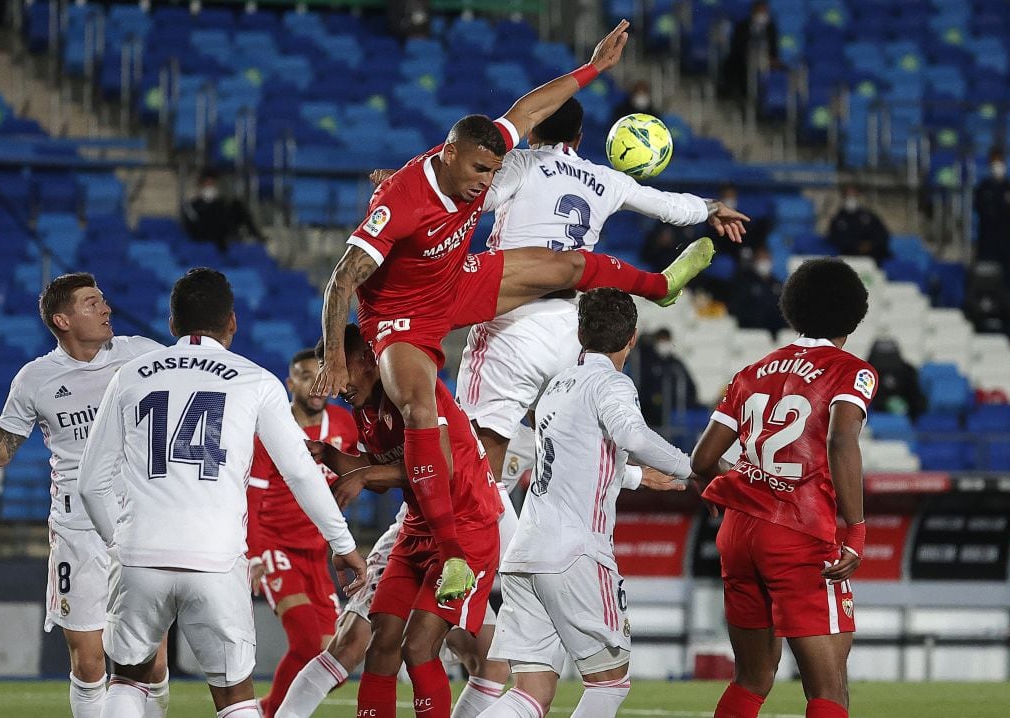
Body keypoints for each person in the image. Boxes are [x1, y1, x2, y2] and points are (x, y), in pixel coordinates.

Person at [314, 20, 717, 620]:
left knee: (566, 265)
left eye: (491, 172)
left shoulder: (491, 154)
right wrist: (330, 358)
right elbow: (342, 278)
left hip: (455, 282)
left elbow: (530, 108)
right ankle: (452, 551)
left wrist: (595, 67)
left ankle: (657, 287)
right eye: (479, 172)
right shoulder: (403, 199)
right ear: (449, 155)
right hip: (399, 317)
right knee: (423, 411)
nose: (486, 183)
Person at [77, 268, 366, 718]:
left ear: (173, 325)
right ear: (232, 322)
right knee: (234, 697)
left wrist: (121, 542)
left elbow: (90, 482)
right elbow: (302, 474)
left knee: (129, 678)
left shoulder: (130, 376)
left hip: (139, 556)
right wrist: (344, 544)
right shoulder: (256, 380)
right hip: (215, 559)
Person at [454, 97, 747, 482]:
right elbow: (668, 206)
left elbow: (473, 196)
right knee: (559, 447)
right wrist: (710, 208)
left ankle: (471, 535)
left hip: (511, 322)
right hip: (570, 331)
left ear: (533, 130)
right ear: (579, 138)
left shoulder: (520, 163)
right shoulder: (606, 179)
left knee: (474, 467)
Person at [0, 272, 170, 718]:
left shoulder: (142, 354)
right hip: (77, 529)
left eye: (104, 299)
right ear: (63, 319)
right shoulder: (36, 378)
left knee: (150, 661)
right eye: (92, 303)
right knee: (90, 662)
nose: (106, 308)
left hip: (139, 522)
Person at [481, 288, 691, 718]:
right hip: (574, 552)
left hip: (525, 553)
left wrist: (632, 476)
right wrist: (689, 466)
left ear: (580, 333)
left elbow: (565, 459)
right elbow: (631, 436)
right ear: (632, 338)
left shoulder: (557, 386)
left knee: (529, 693)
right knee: (609, 683)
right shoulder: (611, 382)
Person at [690, 258, 876, 718]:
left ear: (793, 309)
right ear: (853, 317)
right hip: (800, 534)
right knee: (829, 690)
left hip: (739, 533)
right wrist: (855, 529)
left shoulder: (753, 370)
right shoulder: (851, 370)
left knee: (751, 679)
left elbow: (702, 461)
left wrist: (748, 482)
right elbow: (839, 437)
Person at [303, 323, 505, 718]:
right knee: (381, 643)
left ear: (365, 359)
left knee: (418, 646)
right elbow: (378, 469)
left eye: (337, 368)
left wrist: (363, 476)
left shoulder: (410, 386)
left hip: (466, 528)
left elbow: (438, 467)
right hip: (417, 528)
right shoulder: (364, 406)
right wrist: (327, 455)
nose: (334, 383)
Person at [245, 348, 360, 718]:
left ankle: (266, 709)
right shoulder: (272, 431)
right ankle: (271, 714)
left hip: (316, 553)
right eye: (306, 377)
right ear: (290, 383)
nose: (316, 385)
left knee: (333, 663)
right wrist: (256, 554)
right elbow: (250, 498)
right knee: (308, 641)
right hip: (276, 546)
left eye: (321, 377)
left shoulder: (344, 424)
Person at [973, 148, 1010, 298]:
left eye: (1000, 162)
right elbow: (981, 208)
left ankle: (1009, 308)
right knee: (988, 281)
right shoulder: (984, 188)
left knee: (1009, 282)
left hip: (1007, 245)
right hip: (988, 245)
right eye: (995, 162)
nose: (997, 166)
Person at [181, 169, 266, 253]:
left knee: (236, 205)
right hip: (205, 236)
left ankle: (254, 236)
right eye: (207, 184)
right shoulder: (192, 206)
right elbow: (192, 227)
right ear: (200, 185)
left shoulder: (223, 204)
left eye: (212, 184)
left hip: (224, 235)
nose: (210, 187)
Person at [635, 328, 699, 429]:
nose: (664, 344)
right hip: (652, 417)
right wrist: (654, 399)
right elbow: (642, 390)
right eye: (662, 340)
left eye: (667, 340)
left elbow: (691, 389)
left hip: (675, 414)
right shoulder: (647, 363)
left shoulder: (676, 364)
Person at [720, 1, 779, 102]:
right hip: (744, 59)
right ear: (753, 11)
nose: (762, 14)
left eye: (764, 11)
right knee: (735, 66)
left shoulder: (771, 28)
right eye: (760, 11)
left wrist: (771, 58)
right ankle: (744, 98)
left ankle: (766, 100)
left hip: (765, 59)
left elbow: (774, 48)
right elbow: (737, 47)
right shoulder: (742, 26)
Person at [827, 184, 890, 265]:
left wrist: (870, 244)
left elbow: (882, 234)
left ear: (858, 195)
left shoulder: (869, 217)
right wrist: (856, 246)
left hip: (872, 255)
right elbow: (835, 238)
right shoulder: (838, 220)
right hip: (849, 255)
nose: (850, 198)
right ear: (843, 196)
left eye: (853, 194)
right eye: (848, 195)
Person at [728, 247, 786, 334]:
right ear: (755, 261)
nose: (764, 262)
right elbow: (737, 308)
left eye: (766, 258)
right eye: (761, 259)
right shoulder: (746, 283)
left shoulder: (777, 284)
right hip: (751, 331)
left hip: (775, 332)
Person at [866, 339, 926, 421]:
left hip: (905, 414)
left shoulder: (907, 371)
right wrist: (883, 403)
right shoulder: (865, 372)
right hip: (873, 413)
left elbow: (915, 394)